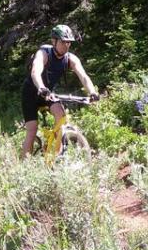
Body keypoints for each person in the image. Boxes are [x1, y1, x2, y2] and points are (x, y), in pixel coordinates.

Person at [21, 24, 99, 157]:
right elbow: (35, 72)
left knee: (61, 115)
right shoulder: (44, 53)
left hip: (47, 94)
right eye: (63, 42)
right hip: (31, 94)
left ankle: (58, 156)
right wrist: (40, 87)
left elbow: (84, 76)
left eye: (69, 42)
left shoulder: (70, 59)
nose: (66, 45)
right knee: (32, 128)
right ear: (54, 41)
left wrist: (92, 92)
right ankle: (22, 165)